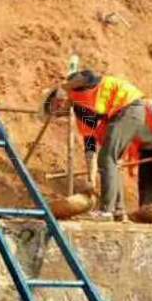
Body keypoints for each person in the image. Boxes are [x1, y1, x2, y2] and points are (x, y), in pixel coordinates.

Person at [46, 70, 145, 220]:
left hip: (129, 108)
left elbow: (87, 77)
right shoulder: (81, 113)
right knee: (112, 162)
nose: (58, 112)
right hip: (125, 114)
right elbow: (90, 148)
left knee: (107, 158)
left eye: (56, 107)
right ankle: (119, 211)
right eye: (55, 113)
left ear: (61, 99)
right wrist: (91, 180)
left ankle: (107, 211)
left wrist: (63, 87)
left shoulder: (78, 89)